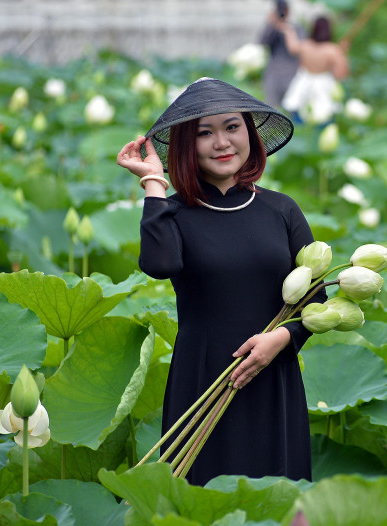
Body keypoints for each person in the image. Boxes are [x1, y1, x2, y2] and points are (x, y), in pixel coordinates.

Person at [116, 77, 325, 485]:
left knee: (275, 499)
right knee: (200, 497)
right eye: (204, 133)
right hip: (203, 377)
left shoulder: (282, 210)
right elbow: (158, 263)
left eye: (232, 127)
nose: (222, 142)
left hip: (272, 378)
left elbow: (317, 297)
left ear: (249, 131)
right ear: (185, 146)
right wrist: (153, 183)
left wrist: (279, 341)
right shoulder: (173, 213)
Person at [278, 15, 349, 124]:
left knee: (300, 116)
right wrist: (343, 54)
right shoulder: (332, 50)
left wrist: (289, 31)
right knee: (324, 116)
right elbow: (341, 74)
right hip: (323, 84)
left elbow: (292, 48)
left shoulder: (305, 45)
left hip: (303, 81)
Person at [257, 0, 304, 108]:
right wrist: (271, 24)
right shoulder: (271, 27)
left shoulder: (296, 28)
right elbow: (262, 43)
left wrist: (287, 31)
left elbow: (299, 49)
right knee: (272, 108)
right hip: (273, 74)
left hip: (292, 73)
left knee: (292, 107)